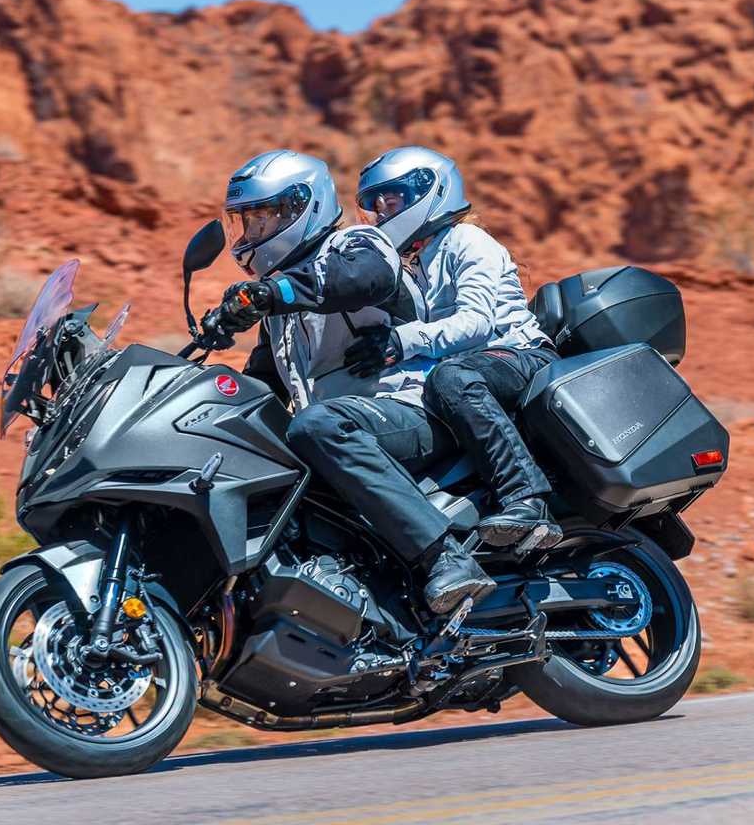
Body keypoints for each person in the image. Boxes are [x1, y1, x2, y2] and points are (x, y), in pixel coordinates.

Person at [210, 149, 495, 615]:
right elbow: (259, 392)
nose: (251, 234)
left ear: (300, 208)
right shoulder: (282, 314)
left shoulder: (358, 246)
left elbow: (361, 280)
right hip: (348, 439)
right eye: (244, 222)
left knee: (316, 427)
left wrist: (271, 292)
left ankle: (446, 556)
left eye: (261, 218)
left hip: (410, 411)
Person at [345, 146, 564, 554]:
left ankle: (527, 498)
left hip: (522, 355)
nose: (382, 214)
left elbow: (475, 323)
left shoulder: (467, 239)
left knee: (452, 378)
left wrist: (400, 341)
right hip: (476, 366)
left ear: (430, 192)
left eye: (391, 202)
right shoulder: (415, 259)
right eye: (375, 207)